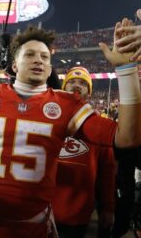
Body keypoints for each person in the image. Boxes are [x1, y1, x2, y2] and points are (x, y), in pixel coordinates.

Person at [0, 23, 141, 237]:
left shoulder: (67, 104)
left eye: (44, 56)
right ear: (14, 65)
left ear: (50, 67)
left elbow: (127, 138)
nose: (38, 60)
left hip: (35, 222)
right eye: (30, 54)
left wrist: (126, 69)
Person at [52, 66, 116, 238]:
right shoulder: (48, 118)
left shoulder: (100, 126)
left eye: (82, 83)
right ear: (63, 87)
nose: (76, 86)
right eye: (71, 82)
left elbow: (107, 173)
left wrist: (108, 208)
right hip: (41, 211)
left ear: (89, 92)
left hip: (76, 215)